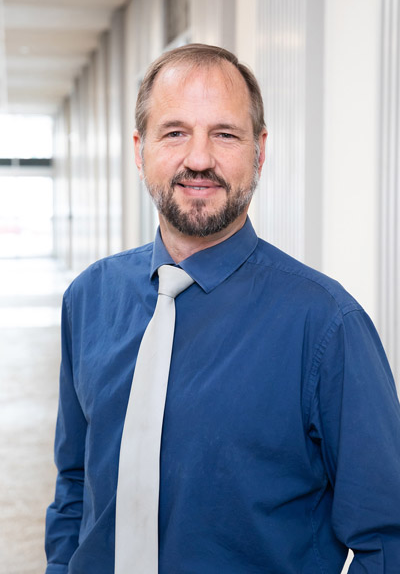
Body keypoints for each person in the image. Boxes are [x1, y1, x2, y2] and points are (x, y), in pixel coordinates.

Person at [45, 44, 400, 573]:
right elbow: (75, 483)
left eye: (225, 134)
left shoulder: (326, 326)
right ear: (139, 150)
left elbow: (385, 538)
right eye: (175, 132)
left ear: (259, 151)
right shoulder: (90, 298)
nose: (199, 159)